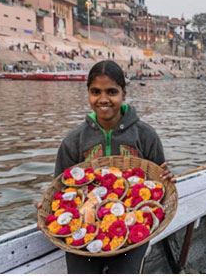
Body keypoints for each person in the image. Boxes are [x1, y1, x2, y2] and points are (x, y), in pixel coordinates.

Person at [38, 60, 175, 274]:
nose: (103, 99)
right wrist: (48, 210)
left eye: (111, 91)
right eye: (95, 92)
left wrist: (166, 177)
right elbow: (60, 189)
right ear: (88, 93)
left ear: (124, 93)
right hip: (83, 228)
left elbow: (157, 186)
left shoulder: (145, 136)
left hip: (133, 228)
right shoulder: (74, 141)